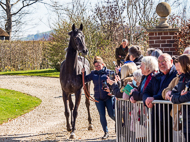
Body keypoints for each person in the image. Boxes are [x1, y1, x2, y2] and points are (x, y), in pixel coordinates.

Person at [142, 53, 177, 142]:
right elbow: (146, 92)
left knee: (168, 138)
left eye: (164, 61)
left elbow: (170, 92)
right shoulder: (156, 76)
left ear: (171, 61)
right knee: (155, 137)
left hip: (169, 114)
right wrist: (147, 101)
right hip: (156, 114)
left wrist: (154, 99)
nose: (161, 64)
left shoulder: (176, 75)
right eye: (159, 62)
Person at [81, 56, 115, 139]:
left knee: (112, 114)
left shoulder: (109, 72)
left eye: (99, 65)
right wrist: (83, 73)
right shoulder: (93, 73)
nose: (97, 67)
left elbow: (115, 84)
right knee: (102, 115)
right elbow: (84, 80)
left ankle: (121, 124)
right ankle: (106, 132)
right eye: (96, 66)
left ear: (103, 64)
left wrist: (111, 92)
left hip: (108, 97)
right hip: (98, 98)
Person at [169, 54, 190, 142]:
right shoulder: (182, 78)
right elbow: (173, 93)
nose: (177, 68)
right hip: (185, 118)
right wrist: (179, 97)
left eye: (179, 65)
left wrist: (178, 98)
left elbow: (188, 96)